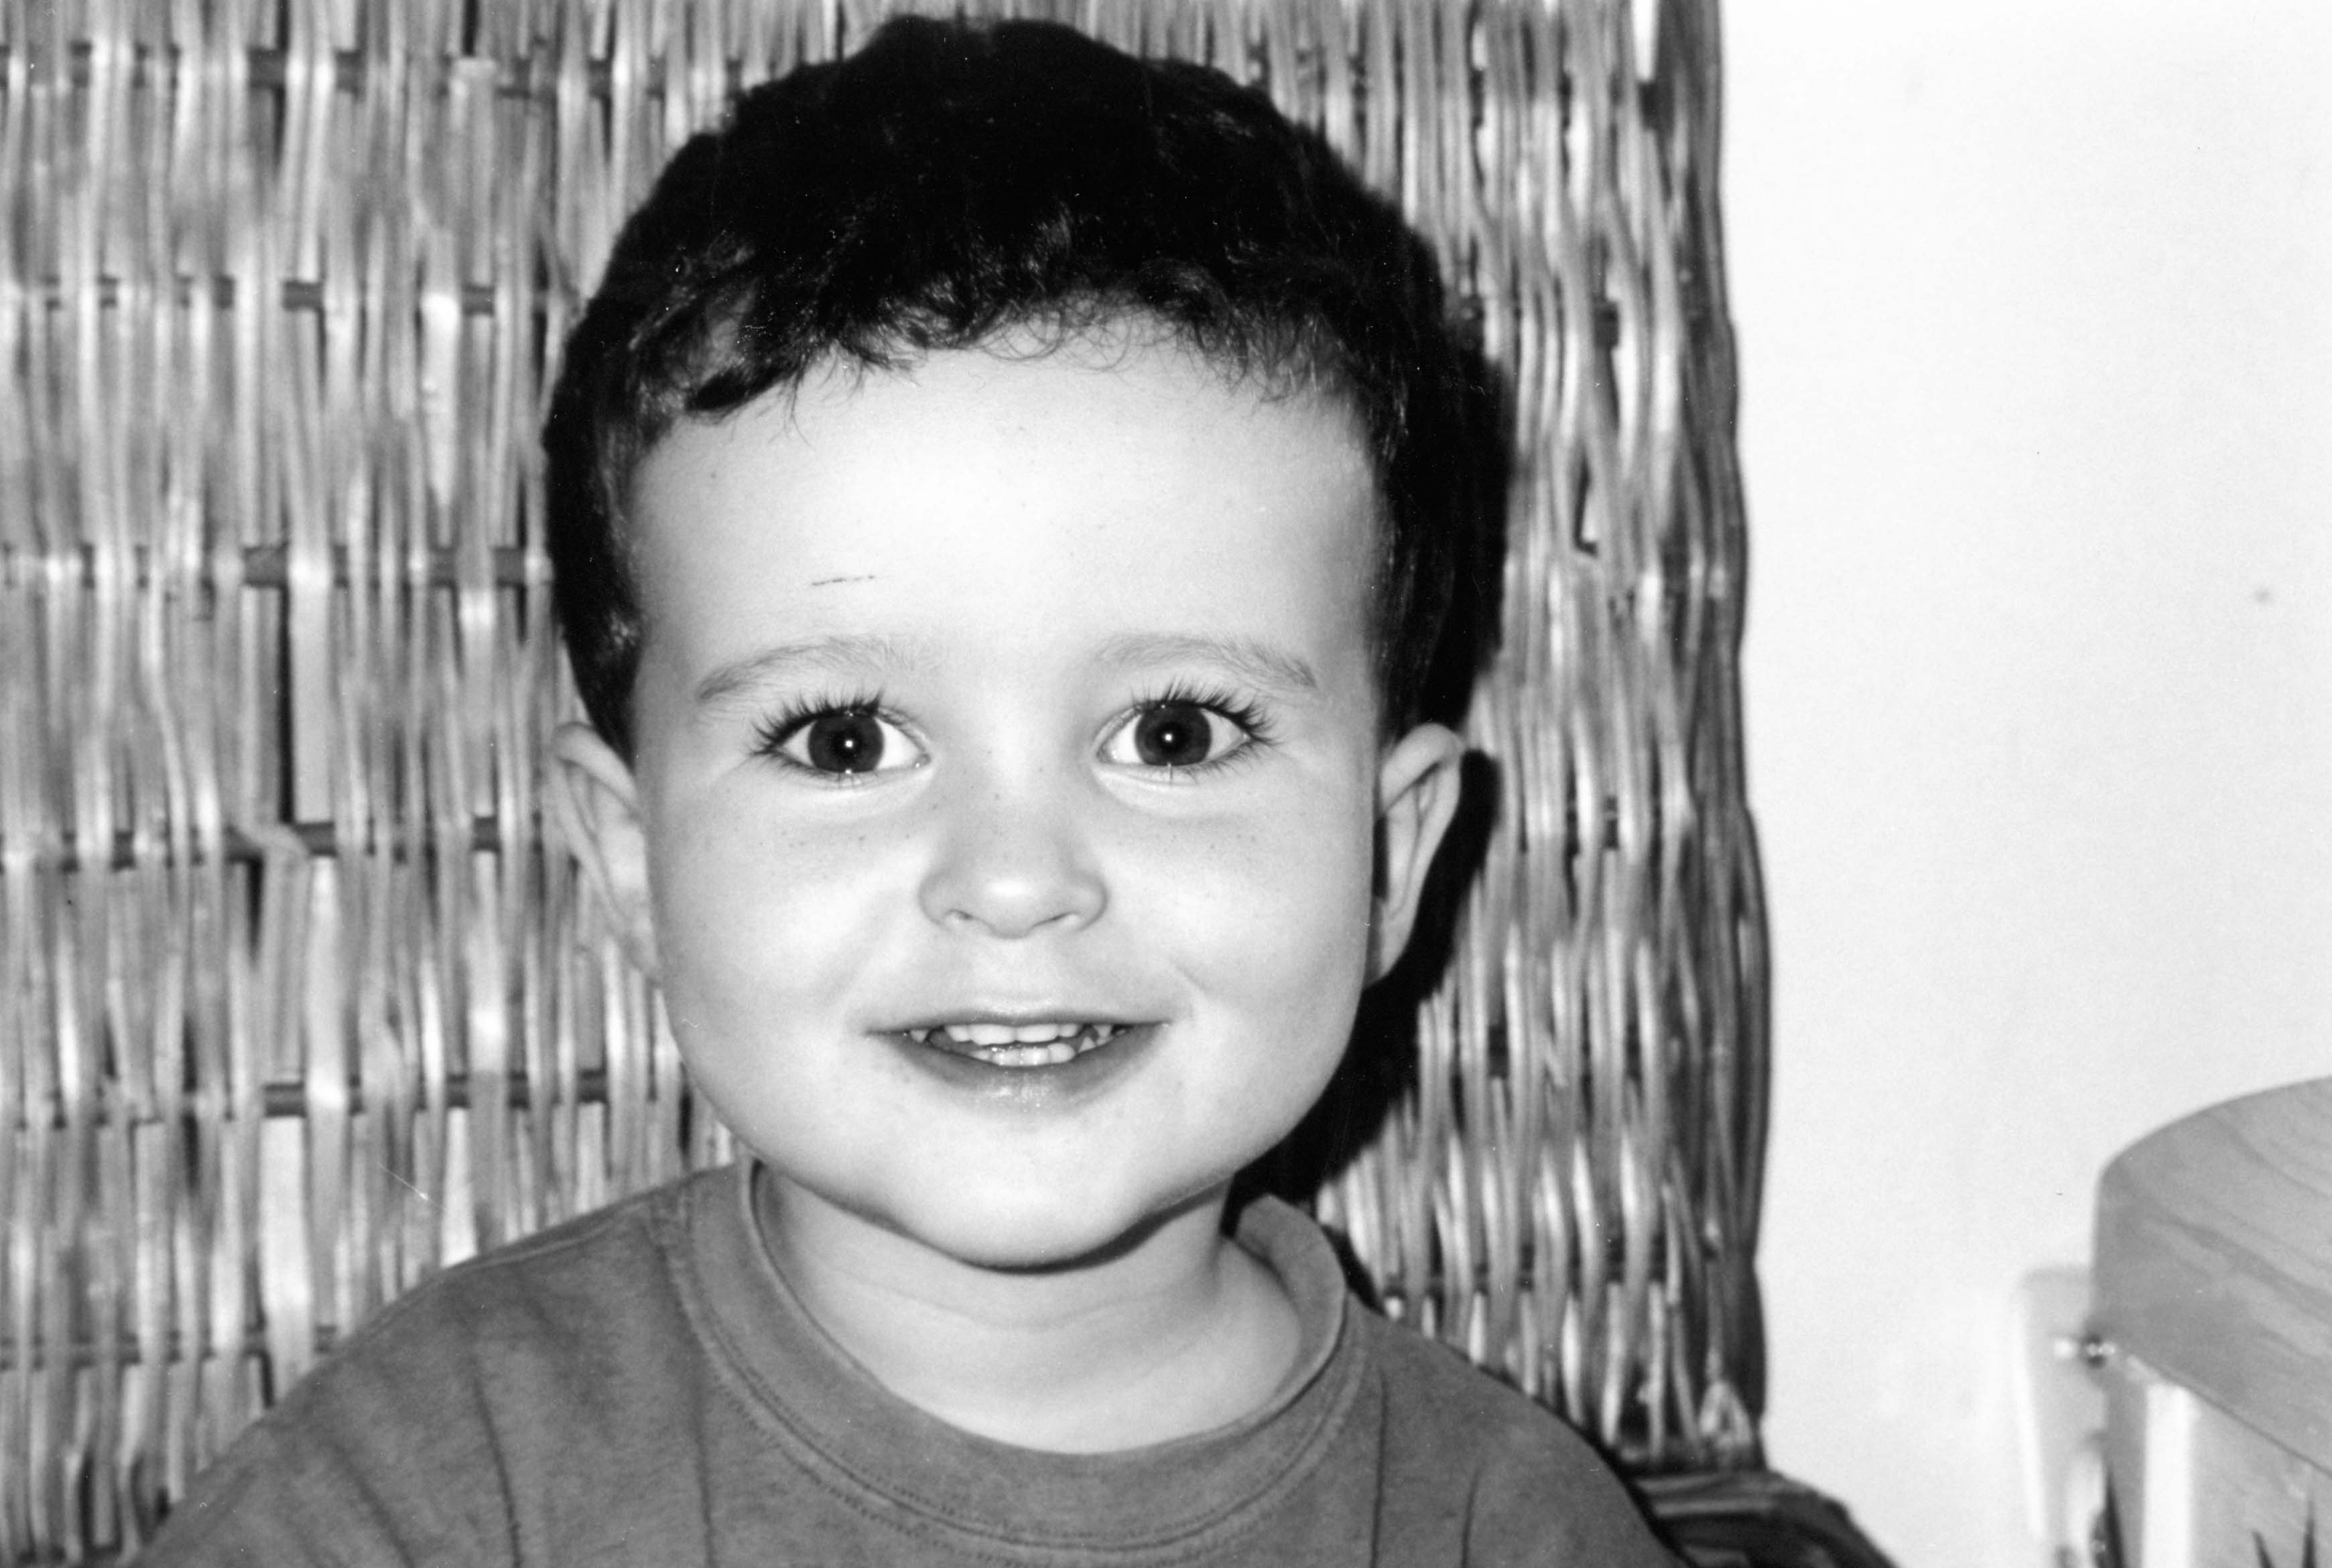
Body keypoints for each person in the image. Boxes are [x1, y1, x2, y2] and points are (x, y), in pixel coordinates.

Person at [141, 16, 1675, 1565]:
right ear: (628, 861)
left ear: (1390, 858)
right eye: (845, 742)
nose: (1014, 881)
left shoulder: (1510, 1531)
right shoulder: (431, 1488)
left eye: (1174, 735)